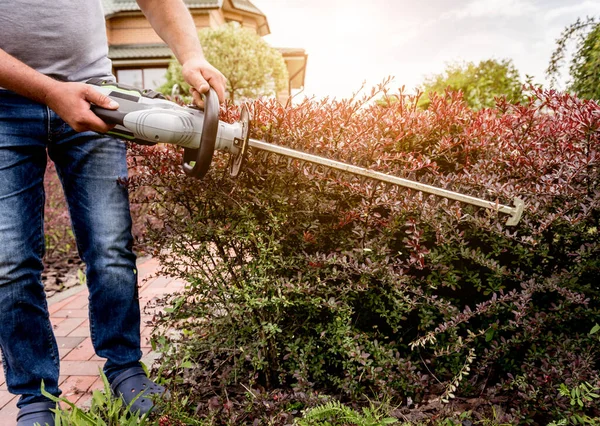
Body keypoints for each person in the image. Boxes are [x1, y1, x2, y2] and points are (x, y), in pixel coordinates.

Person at [0, 0, 227, 424]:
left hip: (99, 94)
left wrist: (192, 56)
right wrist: (50, 91)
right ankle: (35, 396)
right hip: (3, 106)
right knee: (9, 260)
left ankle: (124, 368)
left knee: (110, 248)